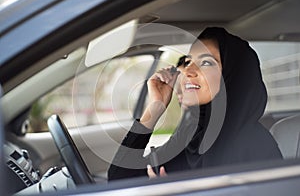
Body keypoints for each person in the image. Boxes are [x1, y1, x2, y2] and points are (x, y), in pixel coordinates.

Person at [108, 27, 282, 180]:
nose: (188, 70)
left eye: (206, 62)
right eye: (187, 61)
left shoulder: (253, 143)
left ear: (233, 77)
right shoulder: (191, 132)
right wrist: (156, 106)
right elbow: (119, 178)